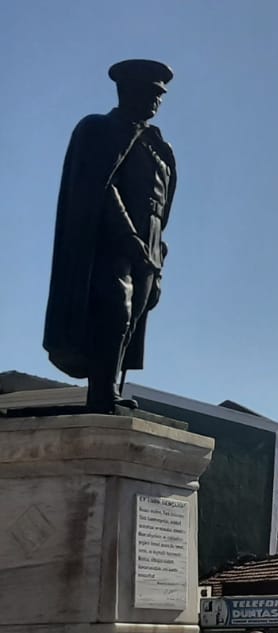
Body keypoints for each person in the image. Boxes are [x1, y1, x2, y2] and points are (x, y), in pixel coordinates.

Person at [44, 59, 177, 413]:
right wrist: (125, 233)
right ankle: (101, 394)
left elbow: (162, 211)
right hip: (106, 235)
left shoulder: (158, 147)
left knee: (132, 320)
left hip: (149, 240)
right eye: (149, 92)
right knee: (115, 308)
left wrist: (158, 259)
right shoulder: (99, 129)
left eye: (160, 96)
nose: (155, 101)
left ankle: (109, 390)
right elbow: (99, 186)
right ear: (126, 90)